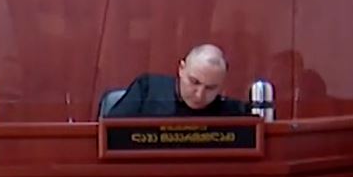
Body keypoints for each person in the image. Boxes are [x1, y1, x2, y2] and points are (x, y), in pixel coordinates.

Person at [103, 44, 251, 118]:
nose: (199, 95)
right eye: (194, 82)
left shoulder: (233, 113)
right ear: (181, 69)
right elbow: (110, 134)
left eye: (210, 88)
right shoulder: (147, 90)